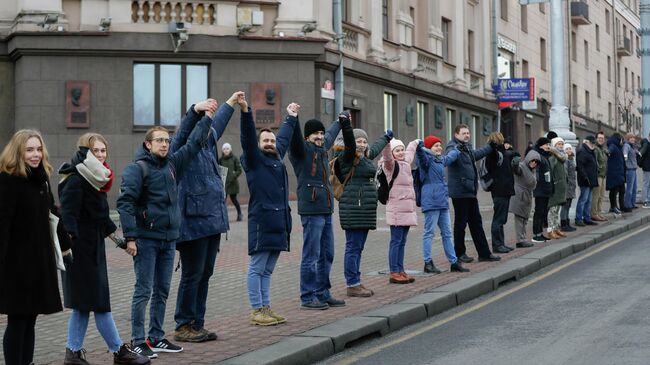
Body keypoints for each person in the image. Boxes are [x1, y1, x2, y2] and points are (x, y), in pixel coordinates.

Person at [117, 99, 216, 358]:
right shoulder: (137, 169)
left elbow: (193, 143)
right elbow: (125, 203)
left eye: (166, 140)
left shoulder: (173, 165)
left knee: (162, 290)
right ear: (148, 144)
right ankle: (138, 341)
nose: (164, 144)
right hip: (146, 240)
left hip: (169, 240)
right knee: (144, 291)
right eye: (158, 140)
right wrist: (130, 238)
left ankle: (156, 337)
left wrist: (206, 118)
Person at [58, 133, 150, 365]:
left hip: (93, 250)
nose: (100, 155)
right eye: (95, 151)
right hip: (78, 253)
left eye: (103, 150)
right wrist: (67, 249)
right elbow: (67, 216)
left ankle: (73, 353)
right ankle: (119, 352)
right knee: (99, 303)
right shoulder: (76, 179)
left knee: (83, 305)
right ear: (84, 153)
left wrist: (120, 241)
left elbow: (100, 216)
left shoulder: (94, 178)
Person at [172, 92, 241, 344]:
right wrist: (195, 110)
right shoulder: (182, 146)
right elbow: (183, 132)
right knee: (192, 274)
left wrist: (231, 103)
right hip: (192, 222)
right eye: (203, 123)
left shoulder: (209, 143)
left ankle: (197, 323)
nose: (207, 128)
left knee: (206, 273)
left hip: (212, 220)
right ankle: (183, 324)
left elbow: (218, 123)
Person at [0, 129, 73, 365]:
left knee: (30, 319)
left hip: (38, 261)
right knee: (18, 320)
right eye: (29, 149)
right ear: (18, 152)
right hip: (15, 265)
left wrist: (65, 246)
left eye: (39, 149)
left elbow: (53, 214)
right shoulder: (8, 181)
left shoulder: (41, 179)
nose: (35, 154)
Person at [240, 98, 298, 326]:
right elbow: (246, 136)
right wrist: (246, 111)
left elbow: (283, 138)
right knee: (257, 269)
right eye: (265, 140)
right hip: (262, 222)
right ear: (258, 143)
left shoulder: (275, 157)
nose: (270, 143)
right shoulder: (254, 160)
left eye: (272, 140)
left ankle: (265, 307)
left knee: (267, 270)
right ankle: (256, 310)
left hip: (279, 223)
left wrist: (291, 117)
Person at [289, 114, 346, 310]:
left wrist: (339, 121)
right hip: (312, 211)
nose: (320, 136)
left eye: (321, 133)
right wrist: (294, 118)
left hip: (326, 210)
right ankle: (307, 296)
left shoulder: (322, 149)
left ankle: (322, 293)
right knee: (311, 256)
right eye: (315, 134)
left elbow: (330, 135)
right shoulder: (301, 151)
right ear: (307, 137)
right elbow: (294, 139)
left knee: (327, 254)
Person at [335, 120, 392, 297]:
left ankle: (356, 281)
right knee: (353, 247)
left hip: (363, 209)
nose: (362, 144)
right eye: (358, 141)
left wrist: (387, 137)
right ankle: (352, 284)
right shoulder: (347, 156)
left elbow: (374, 148)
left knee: (358, 247)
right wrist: (346, 127)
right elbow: (351, 145)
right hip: (354, 208)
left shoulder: (365, 157)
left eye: (364, 141)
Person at [446, 124, 501, 263]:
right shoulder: (453, 147)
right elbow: (450, 156)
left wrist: (490, 146)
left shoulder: (467, 147)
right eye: (464, 133)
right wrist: (456, 151)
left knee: (476, 223)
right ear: (456, 134)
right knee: (461, 224)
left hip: (470, 191)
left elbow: (476, 154)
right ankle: (459, 253)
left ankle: (484, 253)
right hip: (460, 192)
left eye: (468, 133)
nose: (467, 135)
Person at [417, 135, 469, 273]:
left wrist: (457, 150)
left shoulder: (439, 160)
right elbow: (421, 156)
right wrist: (419, 148)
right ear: (429, 148)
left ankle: (453, 262)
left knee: (447, 233)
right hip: (432, 201)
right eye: (436, 146)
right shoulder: (426, 160)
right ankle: (428, 263)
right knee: (429, 233)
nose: (439, 147)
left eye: (440, 145)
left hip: (442, 201)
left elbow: (450, 157)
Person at [380, 138, 419, 284]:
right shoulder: (390, 165)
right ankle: (394, 272)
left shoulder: (406, 163)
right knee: (396, 241)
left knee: (402, 241)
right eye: (397, 150)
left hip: (407, 211)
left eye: (402, 149)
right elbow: (387, 157)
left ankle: (401, 269)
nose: (401, 152)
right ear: (392, 153)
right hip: (397, 210)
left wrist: (415, 142)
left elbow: (410, 152)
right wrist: (386, 142)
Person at [485, 132, 518, 253]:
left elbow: (511, 154)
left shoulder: (501, 152)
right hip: (500, 190)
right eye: (502, 139)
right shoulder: (494, 153)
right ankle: (497, 245)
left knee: (501, 218)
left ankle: (501, 243)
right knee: (498, 219)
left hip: (504, 189)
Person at [509, 149, 541, 248]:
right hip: (520, 196)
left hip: (527, 196)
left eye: (536, 162)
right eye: (532, 160)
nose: (534, 163)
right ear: (528, 159)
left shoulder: (533, 170)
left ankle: (523, 238)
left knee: (524, 219)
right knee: (519, 218)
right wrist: (515, 162)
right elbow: (516, 169)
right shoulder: (522, 166)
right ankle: (520, 240)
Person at [531, 137, 553, 243]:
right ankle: (536, 234)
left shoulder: (545, 156)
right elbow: (536, 173)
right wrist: (539, 185)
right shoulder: (537, 156)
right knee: (539, 212)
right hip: (540, 189)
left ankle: (540, 233)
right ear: (541, 146)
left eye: (549, 144)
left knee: (543, 211)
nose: (548, 146)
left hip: (545, 188)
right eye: (546, 144)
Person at [546, 137, 568, 239]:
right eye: (558, 144)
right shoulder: (553, 158)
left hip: (561, 188)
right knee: (552, 210)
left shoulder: (561, 158)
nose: (561, 146)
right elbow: (550, 172)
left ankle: (556, 228)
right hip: (555, 187)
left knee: (557, 210)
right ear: (554, 146)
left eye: (562, 144)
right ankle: (550, 230)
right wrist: (553, 184)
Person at [575, 136, 599, 226]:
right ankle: (578, 218)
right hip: (585, 180)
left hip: (591, 179)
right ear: (587, 142)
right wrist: (585, 178)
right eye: (591, 143)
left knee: (588, 200)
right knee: (583, 199)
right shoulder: (582, 152)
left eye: (593, 143)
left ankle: (586, 218)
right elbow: (580, 167)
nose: (593, 144)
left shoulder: (591, 151)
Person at [219, 142, 244, 221]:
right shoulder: (220, 160)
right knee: (223, 201)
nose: (226, 150)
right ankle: (222, 217)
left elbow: (239, 170)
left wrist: (233, 175)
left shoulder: (234, 159)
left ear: (230, 150)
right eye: (224, 149)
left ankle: (239, 213)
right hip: (224, 184)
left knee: (234, 200)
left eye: (227, 149)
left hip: (233, 183)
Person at [606, 133, 626, 214]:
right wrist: (608, 152)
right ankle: (613, 207)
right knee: (614, 190)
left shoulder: (618, 147)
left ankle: (619, 206)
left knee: (621, 190)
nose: (622, 141)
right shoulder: (613, 146)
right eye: (621, 139)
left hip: (619, 173)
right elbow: (609, 151)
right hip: (614, 173)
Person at [591, 132, 609, 221]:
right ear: (596, 139)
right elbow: (595, 162)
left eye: (602, 138)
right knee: (596, 195)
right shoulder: (596, 149)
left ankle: (599, 212)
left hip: (602, 175)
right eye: (599, 138)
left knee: (601, 195)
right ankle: (594, 213)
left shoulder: (602, 149)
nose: (601, 139)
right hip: (598, 175)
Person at [560, 144, 577, 232]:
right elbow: (565, 173)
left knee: (569, 205)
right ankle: (563, 224)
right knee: (565, 206)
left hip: (571, 186)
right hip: (567, 186)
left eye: (570, 148)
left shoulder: (571, 159)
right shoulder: (565, 160)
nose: (569, 150)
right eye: (567, 149)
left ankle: (567, 223)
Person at [623, 133, 639, 211]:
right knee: (629, 188)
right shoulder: (627, 145)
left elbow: (636, 151)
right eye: (631, 138)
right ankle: (627, 205)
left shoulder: (632, 146)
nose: (633, 139)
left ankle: (632, 203)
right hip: (629, 170)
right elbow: (625, 153)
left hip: (634, 169)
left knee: (634, 188)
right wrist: (625, 156)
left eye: (633, 138)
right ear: (628, 139)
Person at [640, 132, 650, 208]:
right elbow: (642, 152)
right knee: (646, 183)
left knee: (648, 184)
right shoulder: (646, 143)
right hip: (647, 167)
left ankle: (648, 199)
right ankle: (645, 201)